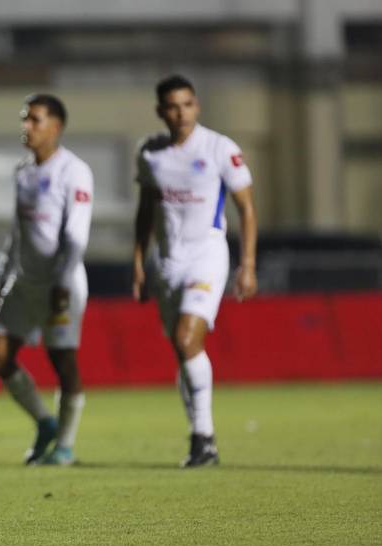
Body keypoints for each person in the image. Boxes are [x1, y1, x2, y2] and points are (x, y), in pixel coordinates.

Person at [132, 74, 258, 467]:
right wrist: (138, 262)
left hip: (208, 255)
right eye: (172, 105)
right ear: (160, 111)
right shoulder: (150, 153)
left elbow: (246, 209)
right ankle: (201, 438)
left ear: (197, 106)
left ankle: (203, 437)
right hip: (167, 263)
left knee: (188, 339)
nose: (180, 112)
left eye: (187, 104)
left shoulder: (220, 148)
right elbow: (146, 211)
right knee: (183, 349)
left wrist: (248, 264)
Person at [0, 94, 94, 467]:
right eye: (25, 119)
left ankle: (64, 447)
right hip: (23, 281)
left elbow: (76, 235)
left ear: (56, 127)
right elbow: (18, 232)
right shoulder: (23, 170)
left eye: (34, 120)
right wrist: (4, 274)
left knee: (62, 360)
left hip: (59, 282)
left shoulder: (75, 172)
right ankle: (45, 423)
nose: (26, 127)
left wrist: (63, 283)